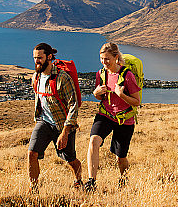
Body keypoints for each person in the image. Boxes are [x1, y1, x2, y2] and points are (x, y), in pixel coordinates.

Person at [85, 42, 141, 192]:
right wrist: (96, 94)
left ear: (116, 58)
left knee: (120, 157)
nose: (104, 62)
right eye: (102, 58)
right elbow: (100, 97)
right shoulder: (101, 74)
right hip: (105, 115)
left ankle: (124, 179)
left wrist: (121, 94)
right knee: (93, 141)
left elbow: (137, 101)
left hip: (124, 119)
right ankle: (91, 182)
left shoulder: (127, 75)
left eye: (107, 59)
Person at [28, 42, 82, 192]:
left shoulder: (62, 78)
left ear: (49, 57)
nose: (36, 61)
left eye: (39, 58)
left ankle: (79, 181)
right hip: (44, 122)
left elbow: (73, 105)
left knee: (70, 159)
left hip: (62, 125)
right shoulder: (36, 77)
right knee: (32, 153)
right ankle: (34, 188)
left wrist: (65, 132)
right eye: (34, 58)